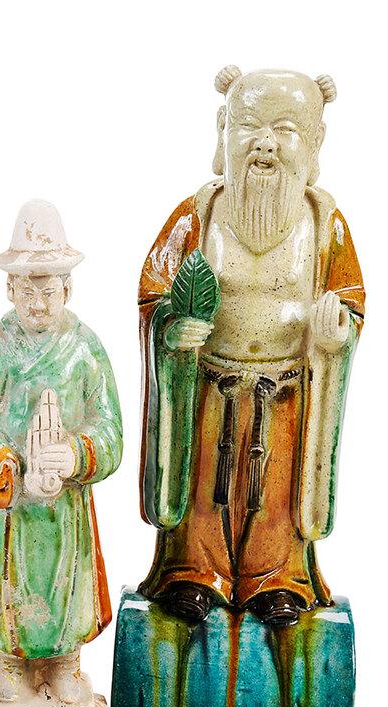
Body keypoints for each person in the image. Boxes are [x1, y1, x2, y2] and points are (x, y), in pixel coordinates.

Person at [137, 67, 365, 626]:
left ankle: (277, 578)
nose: (265, 144)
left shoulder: (324, 224)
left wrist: (336, 334)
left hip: (285, 394)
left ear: (314, 142)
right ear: (223, 130)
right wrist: (171, 329)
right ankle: (195, 572)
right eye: (249, 126)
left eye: (285, 130)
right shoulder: (198, 215)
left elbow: (350, 299)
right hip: (207, 390)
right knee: (203, 493)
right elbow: (155, 288)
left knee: (275, 497)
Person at [0, 199, 122, 702]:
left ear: (68, 289)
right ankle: (9, 661)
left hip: (66, 507)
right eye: (27, 291)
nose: (38, 304)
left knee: (66, 585)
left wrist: (77, 455)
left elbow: (109, 428)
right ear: (9, 289)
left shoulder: (85, 351)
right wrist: (0, 464)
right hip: (14, 511)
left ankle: (65, 661)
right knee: (11, 584)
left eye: (48, 291)